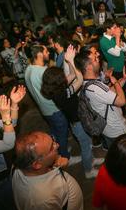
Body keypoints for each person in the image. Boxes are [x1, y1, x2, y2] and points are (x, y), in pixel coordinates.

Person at [41, 46, 103, 179]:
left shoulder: (56, 89)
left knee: (88, 143)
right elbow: (79, 80)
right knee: (86, 146)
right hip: (78, 123)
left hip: (76, 121)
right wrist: (71, 60)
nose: (64, 75)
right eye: (61, 75)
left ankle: (91, 160)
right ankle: (88, 170)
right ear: (58, 80)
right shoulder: (62, 93)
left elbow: (73, 75)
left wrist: (69, 61)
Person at [25, 45, 80, 166]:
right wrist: (71, 62)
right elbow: (65, 82)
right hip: (54, 109)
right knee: (62, 132)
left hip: (44, 110)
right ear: (39, 54)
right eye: (45, 51)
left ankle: (59, 150)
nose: (48, 53)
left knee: (55, 133)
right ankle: (64, 157)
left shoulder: (28, 69)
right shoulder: (44, 72)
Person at [12, 131, 84, 210]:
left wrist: (56, 161)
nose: (57, 145)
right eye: (51, 148)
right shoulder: (41, 200)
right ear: (37, 164)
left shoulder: (20, 167)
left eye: (52, 139)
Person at [75, 51, 126, 149]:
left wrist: (123, 80)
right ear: (88, 67)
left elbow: (109, 93)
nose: (98, 59)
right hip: (116, 130)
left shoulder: (89, 83)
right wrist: (116, 82)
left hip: (108, 129)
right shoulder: (95, 87)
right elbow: (121, 101)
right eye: (95, 59)